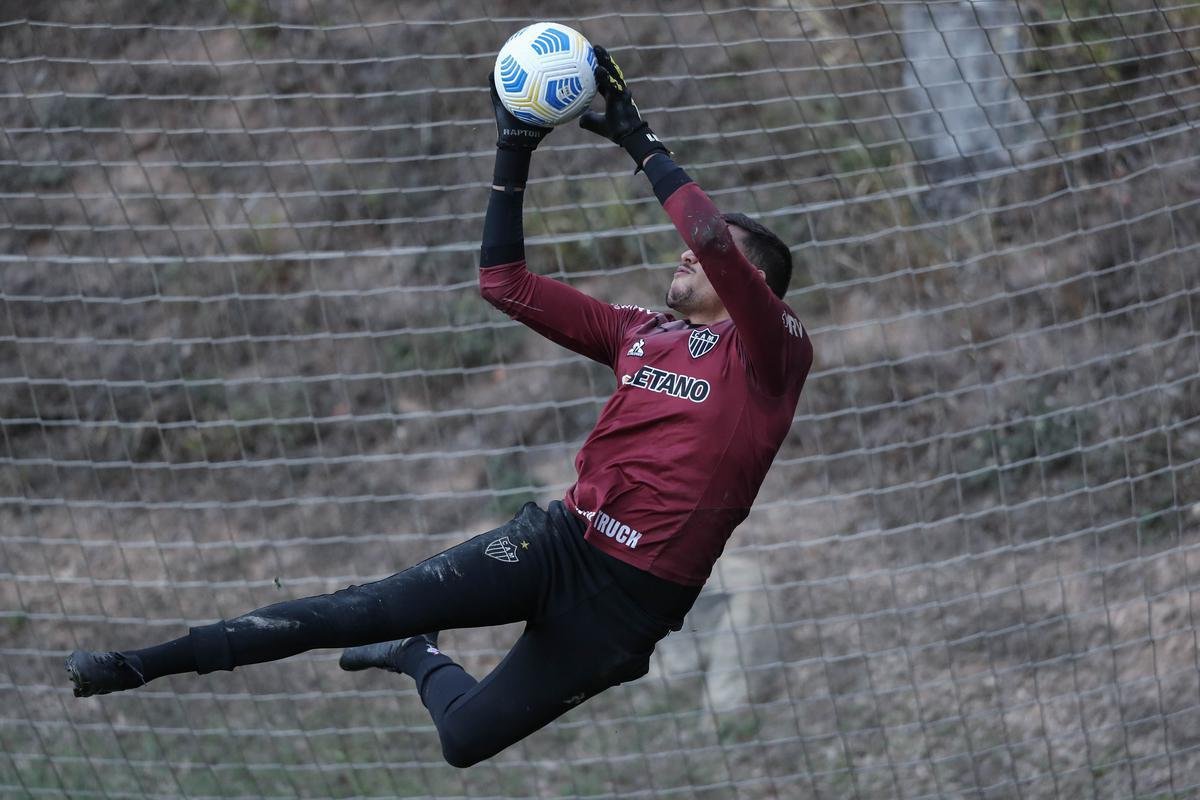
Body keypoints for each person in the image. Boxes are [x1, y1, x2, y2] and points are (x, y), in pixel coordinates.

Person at [64, 47, 814, 769]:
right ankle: (139, 665)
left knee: (464, 741)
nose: (685, 254)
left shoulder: (772, 356)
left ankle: (414, 654)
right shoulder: (639, 332)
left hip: (629, 606)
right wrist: (514, 144)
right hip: (558, 543)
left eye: (715, 256)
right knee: (356, 609)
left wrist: (633, 133)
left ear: (757, 286)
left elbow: (710, 236)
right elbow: (505, 284)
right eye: (690, 249)